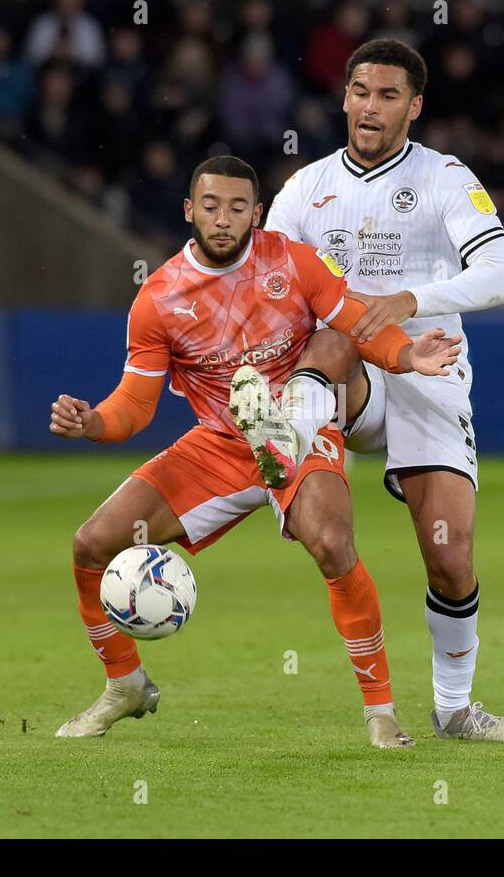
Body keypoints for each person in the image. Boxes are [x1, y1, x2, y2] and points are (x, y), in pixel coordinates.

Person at [49, 155, 463, 748]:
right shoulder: (160, 298)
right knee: (92, 542)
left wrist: (406, 355)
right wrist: (93, 422)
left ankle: (380, 712)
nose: (224, 219)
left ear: (257, 213)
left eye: (238, 207)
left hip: (300, 425)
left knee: (332, 542)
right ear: (189, 210)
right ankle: (125, 683)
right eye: (211, 206)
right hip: (221, 442)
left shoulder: (292, 262)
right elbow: (136, 405)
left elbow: (354, 322)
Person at [263, 39, 504, 743]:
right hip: (349, 373)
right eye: (360, 91)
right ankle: (283, 442)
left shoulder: (445, 178)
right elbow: (265, 292)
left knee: (449, 555)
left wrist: (412, 299)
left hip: (429, 370)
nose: (369, 105)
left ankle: (454, 708)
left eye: (387, 95)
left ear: (414, 107)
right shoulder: (304, 190)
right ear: (344, 97)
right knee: (331, 337)